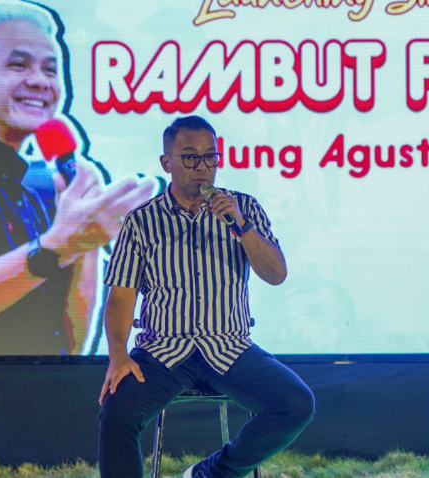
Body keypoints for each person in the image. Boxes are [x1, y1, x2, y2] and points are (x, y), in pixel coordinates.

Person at [0, 1, 152, 355]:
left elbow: (72, 342)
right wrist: (59, 246)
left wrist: (87, 242)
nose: (40, 81)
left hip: (45, 386)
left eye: (50, 69)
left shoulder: (41, 188)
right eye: (18, 65)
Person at [97, 115, 314, 478]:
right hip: (163, 350)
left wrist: (241, 227)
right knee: (116, 412)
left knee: (296, 404)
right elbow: (121, 297)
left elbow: (276, 274)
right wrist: (118, 355)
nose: (202, 167)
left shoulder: (244, 209)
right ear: (166, 162)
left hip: (229, 347)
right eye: (190, 157)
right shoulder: (141, 221)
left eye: (210, 157)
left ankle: (212, 473)